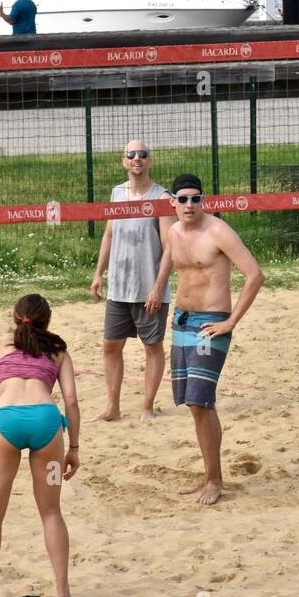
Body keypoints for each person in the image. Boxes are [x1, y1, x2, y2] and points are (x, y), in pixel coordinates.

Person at [146, 174, 263, 505]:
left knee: (201, 400)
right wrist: (158, 286)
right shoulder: (173, 231)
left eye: (195, 198)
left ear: (203, 200)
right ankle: (208, 475)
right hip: (181, 321)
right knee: (191, 404)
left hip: (211, 324)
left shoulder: (218, 231)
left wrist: (230, 321)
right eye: (182, 199)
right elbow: (171, 256)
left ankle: (214, 480)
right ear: (172, 201)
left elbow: (255, 275)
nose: (189, 205)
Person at [0, 295, 81, 597]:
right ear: (47, 320)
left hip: (6, 423)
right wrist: (74, 448)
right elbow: (70, 401)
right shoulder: (58, 351)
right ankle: (62, 590)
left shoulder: (0, 349)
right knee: (52, 511)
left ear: (15, 319)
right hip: (47, 424)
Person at [91, 141, 173, 423]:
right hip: (119, 287)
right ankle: (112, 408)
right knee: (111, 346)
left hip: (149, 287)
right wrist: (98, 273)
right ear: (124, 161)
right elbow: (109, 235)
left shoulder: (162, 197)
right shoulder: (117, 192)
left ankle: (147, 407)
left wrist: (158, 287)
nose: (137, 158)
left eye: (142, 154)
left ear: (150, 160)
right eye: (131, 154)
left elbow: (169, 247)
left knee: (153, 347)